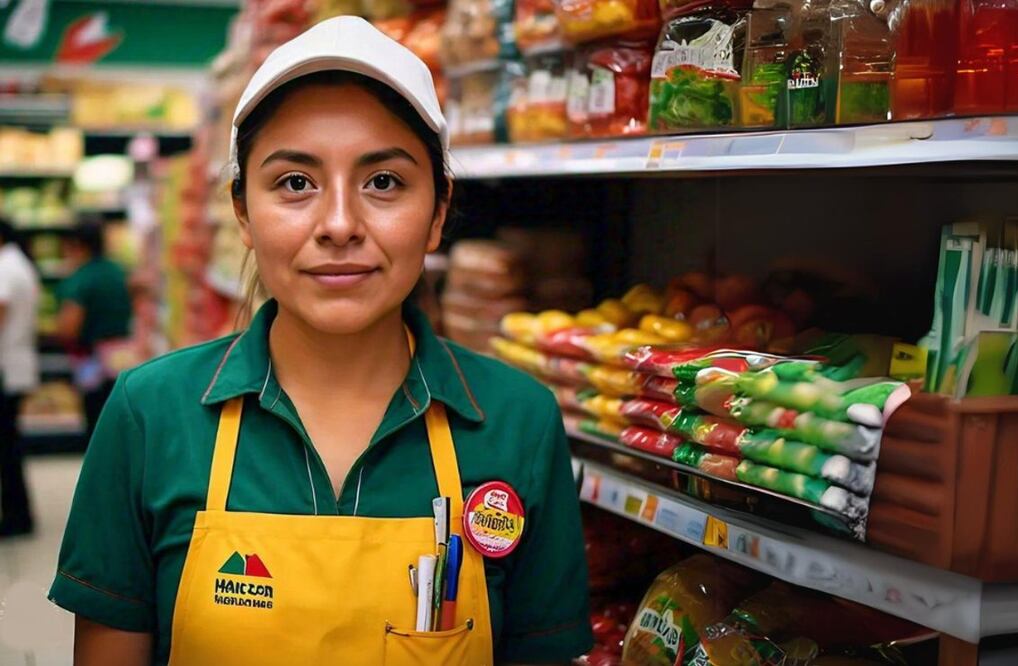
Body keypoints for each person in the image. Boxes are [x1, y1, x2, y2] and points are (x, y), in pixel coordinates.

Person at [50, 16, 592, 666]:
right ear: (243, 212)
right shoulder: (149, 412)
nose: (339, 224)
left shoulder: (517, 421)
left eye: (384, 182)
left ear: (438, 213)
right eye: (295, 183)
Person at [55, 221, 132, 437]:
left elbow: (69, 326)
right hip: (121, 355)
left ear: (76, 245)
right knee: (118, 420)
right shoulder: (116, 271)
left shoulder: (81, 279)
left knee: (96, 422)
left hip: (93, 360)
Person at [0, 217, 40, 537]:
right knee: (9, 444)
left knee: (7, 447)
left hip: (5, 366)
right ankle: (18, 513)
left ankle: (16, 516)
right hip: (17, 362)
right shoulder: (19, 263)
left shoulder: (4, 267)